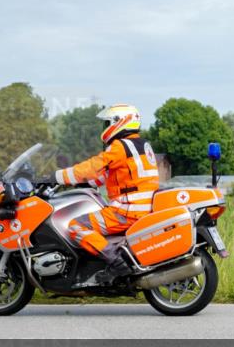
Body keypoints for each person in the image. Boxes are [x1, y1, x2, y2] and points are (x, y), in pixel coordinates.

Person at [44, 104, 159, 287]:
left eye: (107, 123)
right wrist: (82, 182)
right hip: (142, 206)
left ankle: (116, 262)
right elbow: (107, 175)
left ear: (119, 122)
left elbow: (92, 166)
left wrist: (56, 176)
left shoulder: (119, 146)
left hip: (127, 210)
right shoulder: (140, 145)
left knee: (76, 226)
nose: (105, 128)